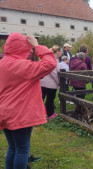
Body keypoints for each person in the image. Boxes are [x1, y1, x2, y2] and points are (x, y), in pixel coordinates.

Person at [0, 33, 56, 169]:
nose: (30, 50)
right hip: (20, 113)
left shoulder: (2, 63)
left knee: (13, 147)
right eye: (28, 47)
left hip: (4, 112)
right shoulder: (23, 66)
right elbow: (50, 63)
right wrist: (37, 46)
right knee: (22, 149)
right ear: (20, 48)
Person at [41, 45, 62, 119]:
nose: (62, 53)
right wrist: (58, 82)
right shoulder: (53, 60)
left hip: (44, 82)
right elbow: (53, 73)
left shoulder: (50, 58)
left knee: (43, 98)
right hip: (50, 83)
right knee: (50, 99)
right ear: (57, 52)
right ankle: (49, 114)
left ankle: (45, 113)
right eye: (61, 51)